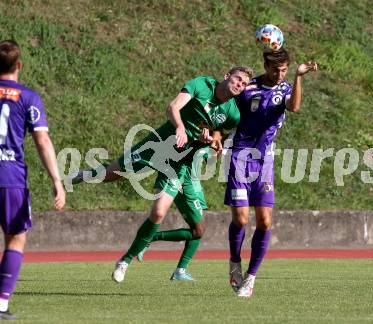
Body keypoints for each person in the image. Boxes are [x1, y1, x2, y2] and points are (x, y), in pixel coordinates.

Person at [72, 67, 253, 282]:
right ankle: (85, 174)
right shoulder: (202, 84)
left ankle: (125, 261)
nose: (239, 85)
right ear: (227, 77)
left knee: (159, 213)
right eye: (237, 79)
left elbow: (217, 136)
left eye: (243, 84)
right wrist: (180, 127)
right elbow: (173, 107)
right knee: (112, 174)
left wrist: (211, 143)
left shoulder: (232, 113)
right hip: (158, 144)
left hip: (179, 162)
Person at [224, 48, 317, 297]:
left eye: (284, 70)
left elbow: (294, 107)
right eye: (276, 69)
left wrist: (298, 77)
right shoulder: (248, 88)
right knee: (241, 219)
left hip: (264, 162)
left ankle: (250, 278)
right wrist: (215, 135)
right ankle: (234, 262)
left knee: (265, 221)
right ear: (266, 66)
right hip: (240, 157)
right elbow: (227, 115)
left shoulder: (285, 88)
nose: (280, 74)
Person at [0, 40, 66, 319]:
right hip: (11, 176)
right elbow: (42, 140)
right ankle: (1, 303)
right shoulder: (28, 97)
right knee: (15, 239)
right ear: (19, 65)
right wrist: (57, 180)